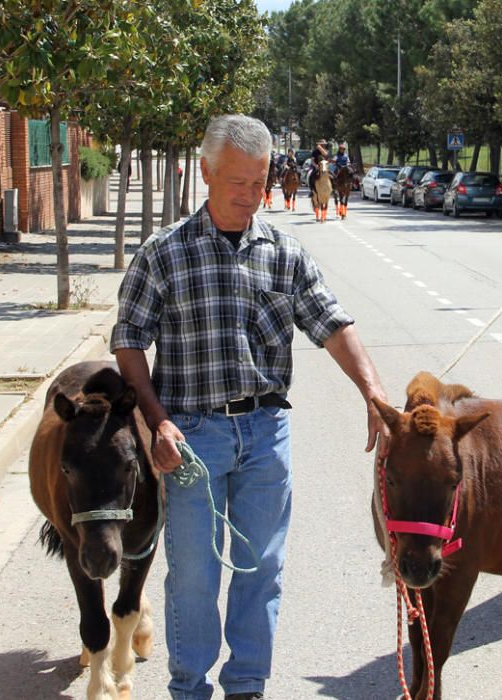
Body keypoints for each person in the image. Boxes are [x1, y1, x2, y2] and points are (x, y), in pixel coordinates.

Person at [110, 114, 390, 700]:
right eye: (237, 181)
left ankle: (246, 686)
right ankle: (189, 688)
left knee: (261, 569)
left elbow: (332, 324)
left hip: (266, 434)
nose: (250, 195)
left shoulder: (284, 253)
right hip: (190, 438)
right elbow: (129, 339)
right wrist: (155, 420)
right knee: (193, 576)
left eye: (259, 183)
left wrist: (373, 392)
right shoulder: (163, 254)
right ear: (207, 172)